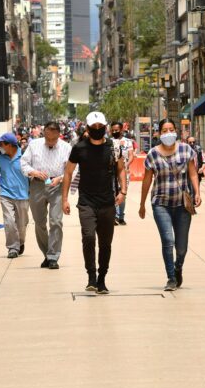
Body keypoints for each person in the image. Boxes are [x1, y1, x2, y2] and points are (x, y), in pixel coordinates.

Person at [62, 112, 127, 294]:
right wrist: (65, 199)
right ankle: (91, 276)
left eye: (100, 127)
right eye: (94, 128)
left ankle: (102, 278)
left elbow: (121, 169)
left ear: (105, 127)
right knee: (89, 237)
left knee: (105, 244)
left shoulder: (113, 148)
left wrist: (123, 191)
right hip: (86, 202)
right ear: (88, 129)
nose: (97, 130)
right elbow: (68, 172)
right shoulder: (79, 148)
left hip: (108, 202)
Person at [140, 118, 202, 291]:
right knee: (168, 240)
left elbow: (193, 174)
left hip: (182, 204)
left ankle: (178, 266)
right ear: (159, 133)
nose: (168, 133)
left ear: (177, 131)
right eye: (164, 130)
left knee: (181, 247)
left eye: (171, 129)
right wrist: (142, 204)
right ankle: (171, 278)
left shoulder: (186, 150)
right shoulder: (153, 153)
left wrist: (197, 192)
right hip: (160, 203)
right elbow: (147, 180)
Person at [22, 122, 71, 268]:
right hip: (37, 185)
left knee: (56, 221)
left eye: (53, 139)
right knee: (39, 223)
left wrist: (60, 178)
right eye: (48, 139)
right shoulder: (34, 145)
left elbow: (72, 170)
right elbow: (23, 163)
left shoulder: (66, 147)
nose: (51, 142)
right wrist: (33, 172)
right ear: (44, 134)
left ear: (58, 135)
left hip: (57, 186)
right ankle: (47, 253)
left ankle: (53, 256)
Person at [0, 133, 30, 258]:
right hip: (6, 194)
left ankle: (21, 242)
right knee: (9, 222)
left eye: (1, 144)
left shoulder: (24, 155)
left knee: (22, 224)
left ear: (10, 145)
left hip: (23, 195)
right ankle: (13, 248)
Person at [111, 121, 136, 226]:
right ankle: (115, 216)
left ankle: (121, 216)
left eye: (116, 130)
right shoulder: (109, 141)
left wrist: (126, 165)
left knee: (122, 193)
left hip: (124, 171)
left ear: (121, 130)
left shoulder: (128, 142)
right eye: (112, 130)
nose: (114, 132)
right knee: (113, 192)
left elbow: (131, 156)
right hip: (112, 172)